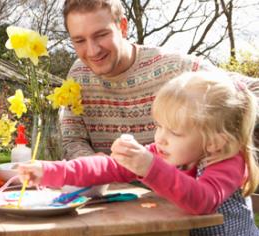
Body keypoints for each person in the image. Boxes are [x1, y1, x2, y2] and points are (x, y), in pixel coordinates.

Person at [18, 71, 259, 235]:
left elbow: (202, 200)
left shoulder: (228, 161)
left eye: (174, 131)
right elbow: (109, 167)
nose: (160, 138)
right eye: (159, 126)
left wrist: (150, 167)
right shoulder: (167, 152)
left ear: (215, 142)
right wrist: (50, 171)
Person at [59, 0, 259, 159]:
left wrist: (215, 146)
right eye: (79, 40)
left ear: (123, 26)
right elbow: (73, 139)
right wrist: (88, 161)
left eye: (101, 35)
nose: (92, 50)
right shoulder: (78, 76)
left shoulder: (174, 68)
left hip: (181, 196)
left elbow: (250, 90)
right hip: (113, 196)